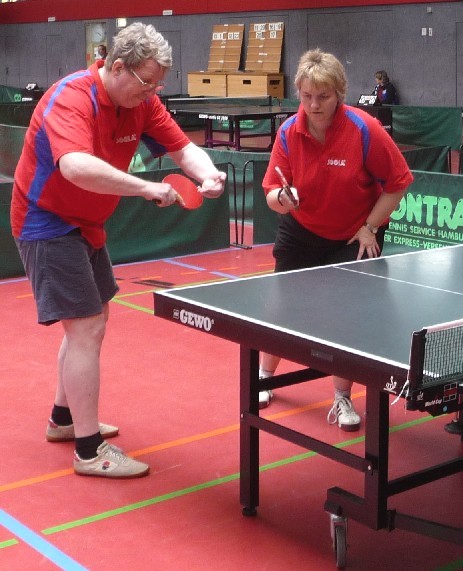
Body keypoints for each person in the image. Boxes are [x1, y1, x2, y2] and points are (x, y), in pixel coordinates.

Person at [10, 22, 226, 478]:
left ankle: (64, 421)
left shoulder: (142, 102)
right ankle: (89, 451)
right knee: (85, 327)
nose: (153, 92)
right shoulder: (72, 97)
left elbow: (182, 147)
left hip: (87, 224)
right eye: (148, 81)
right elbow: (75, 166)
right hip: (46, 221)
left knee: (95, 320)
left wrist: (207, 175)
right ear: (118, 66)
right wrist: (146, 188)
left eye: (158, 84)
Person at [259, 49, 413, 431]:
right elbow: (271, 195)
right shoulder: (287, 132)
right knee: (283, 308)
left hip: (354, 235)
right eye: (307, 95)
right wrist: (284, 198)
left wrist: (370, 227)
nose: (314, 104)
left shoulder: (363, 129)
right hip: (301, 230)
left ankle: (342, 398)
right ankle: (265, 375)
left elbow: (399, 183)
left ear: (339, 93)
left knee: (344, 321)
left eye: (323, 96)